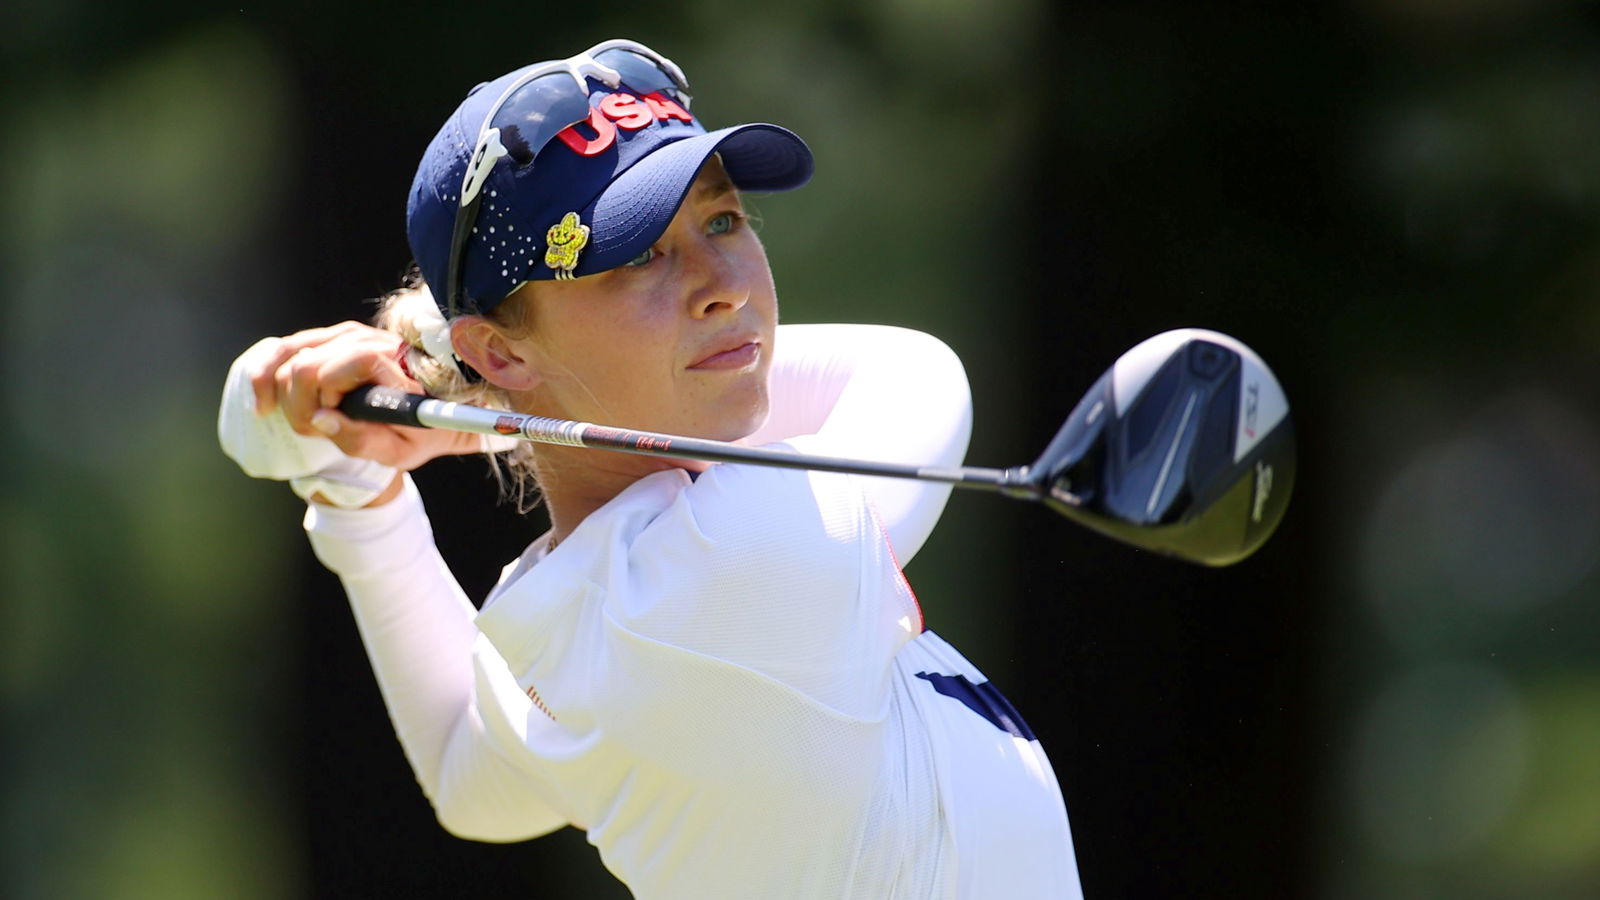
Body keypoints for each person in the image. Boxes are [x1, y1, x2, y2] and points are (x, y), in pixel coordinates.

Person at [219, 39, 1084, 899]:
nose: (724, 286)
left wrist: (361, 491)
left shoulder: (565, 620)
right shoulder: (737, 563)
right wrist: (481, 426)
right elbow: (915, 372)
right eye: (638, 255)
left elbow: (464, 771)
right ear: (499, 352)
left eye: (722, 221)